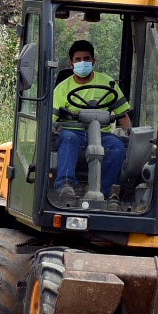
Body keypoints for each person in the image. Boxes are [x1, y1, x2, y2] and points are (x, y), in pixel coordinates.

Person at [52, 39, 132, 200]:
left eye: (87, 59)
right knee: (68, 138)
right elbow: (51, 120)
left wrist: (131, 134)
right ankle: (65, 185)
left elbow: (123, 115)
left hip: (102, 134)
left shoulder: (108, 83)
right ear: (71, 63)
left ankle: (103, 191)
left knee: (117, 147)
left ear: (93, 61)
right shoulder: (62, 88)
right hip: (74, 132)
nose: (83, 62)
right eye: (78, 59)